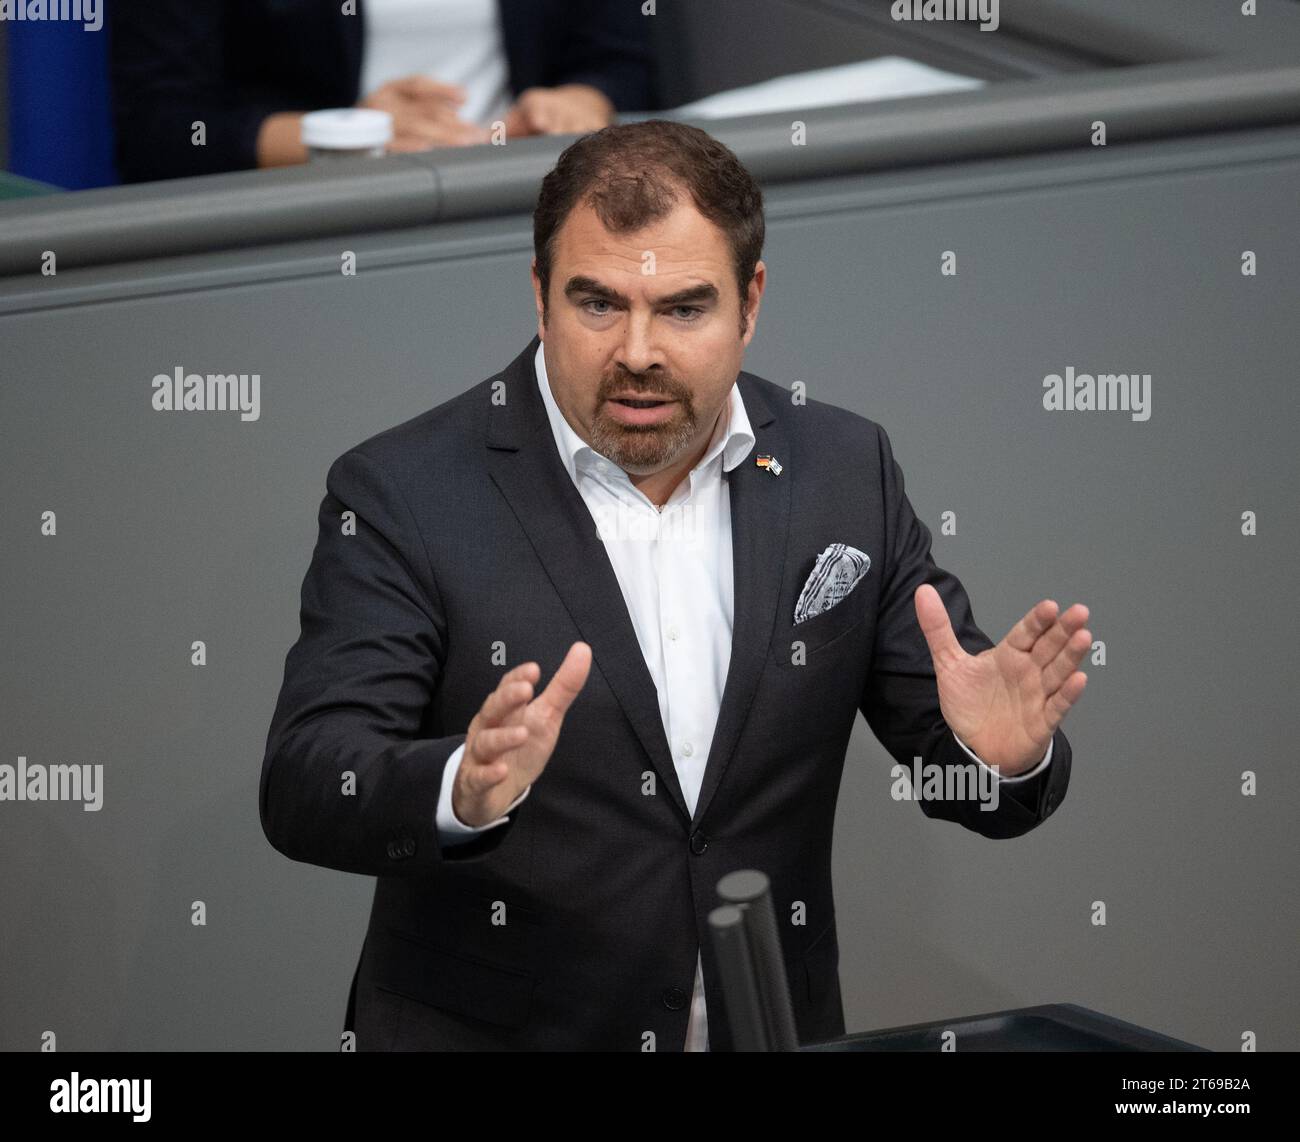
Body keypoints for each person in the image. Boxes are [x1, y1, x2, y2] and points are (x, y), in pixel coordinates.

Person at [259, 119, 1088, 1051]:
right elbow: (305, 778)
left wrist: (996, 758)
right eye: (598, 304)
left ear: (752, 301)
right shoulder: (407, 490)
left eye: (685, 308)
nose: (639, 351)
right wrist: (460, 787)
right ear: (539, 298)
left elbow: (954, 754)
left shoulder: (842, 469)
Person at [109, 0, 656, 183]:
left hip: (522, 198)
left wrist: (580, 102)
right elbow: (158, 128)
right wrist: (346, 134)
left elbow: (623, 61)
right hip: (310, 221)